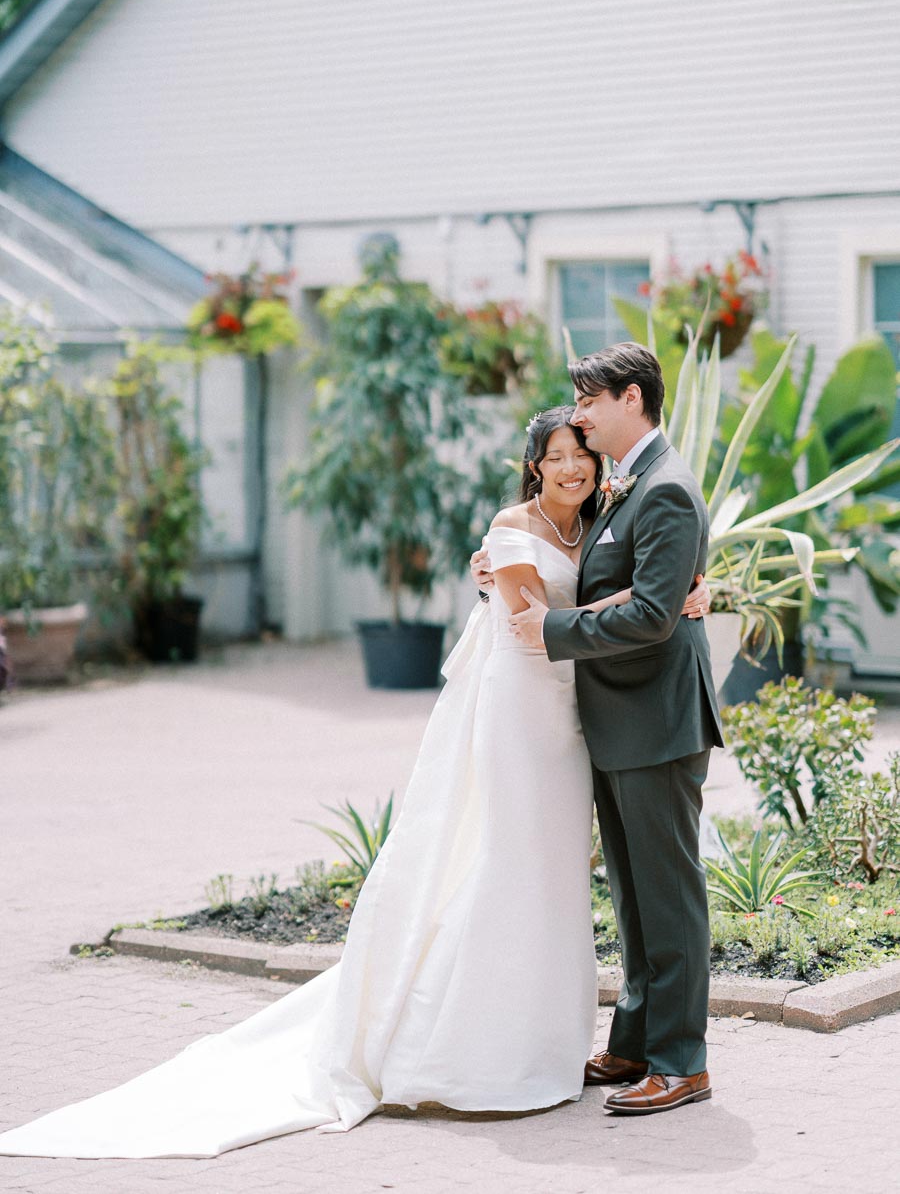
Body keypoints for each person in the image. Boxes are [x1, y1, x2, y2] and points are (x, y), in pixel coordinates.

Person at [0, 405, 708, 1161]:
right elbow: (534, 625)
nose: (575, 467)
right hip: (523, 713)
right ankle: (490, 1043)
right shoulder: (511, 527)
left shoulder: (605, 511)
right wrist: (627, 603)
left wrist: (691, 591)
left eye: (583, 455)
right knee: (509, 858)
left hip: (580, 721)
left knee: (559, 874)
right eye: (559, 456)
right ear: (533, 464)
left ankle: (578, 1038)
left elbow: (654, 566)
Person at [473, 343, 724, 1116]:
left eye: (587, 401)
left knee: (668, 897)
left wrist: (550, 627)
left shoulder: (667, 488)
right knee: (634, 898)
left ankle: (681, 1062)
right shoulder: (629, 485)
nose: (578, 415)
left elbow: (652, 614)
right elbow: (607, 570)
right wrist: (502, 563)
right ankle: (633, 1043)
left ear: (630, 400)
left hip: (656, 723)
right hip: (618, 722)